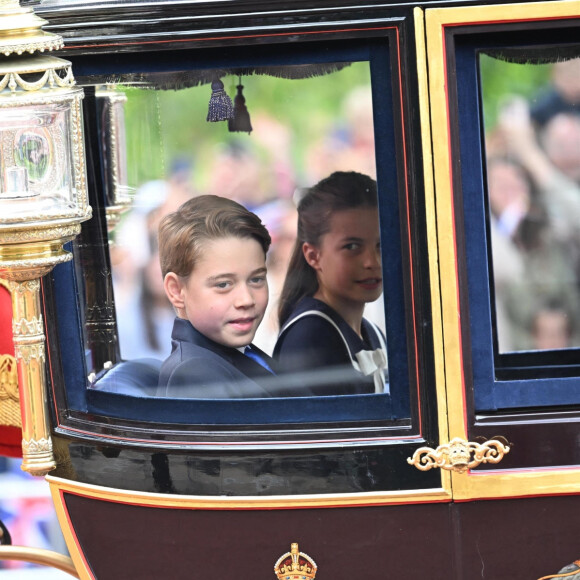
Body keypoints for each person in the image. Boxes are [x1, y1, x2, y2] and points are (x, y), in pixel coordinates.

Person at [274, 171, 387, 396]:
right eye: (352, 247)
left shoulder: (371, 331)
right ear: (313, 255)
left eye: (380, 245)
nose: (372, 262)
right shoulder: (310, 338)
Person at [156, 195, 278, 398]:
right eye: (223, 284)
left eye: (256, 279)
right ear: (176, 291)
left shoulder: (236, 353)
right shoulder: (196, 374)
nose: (246, 300)